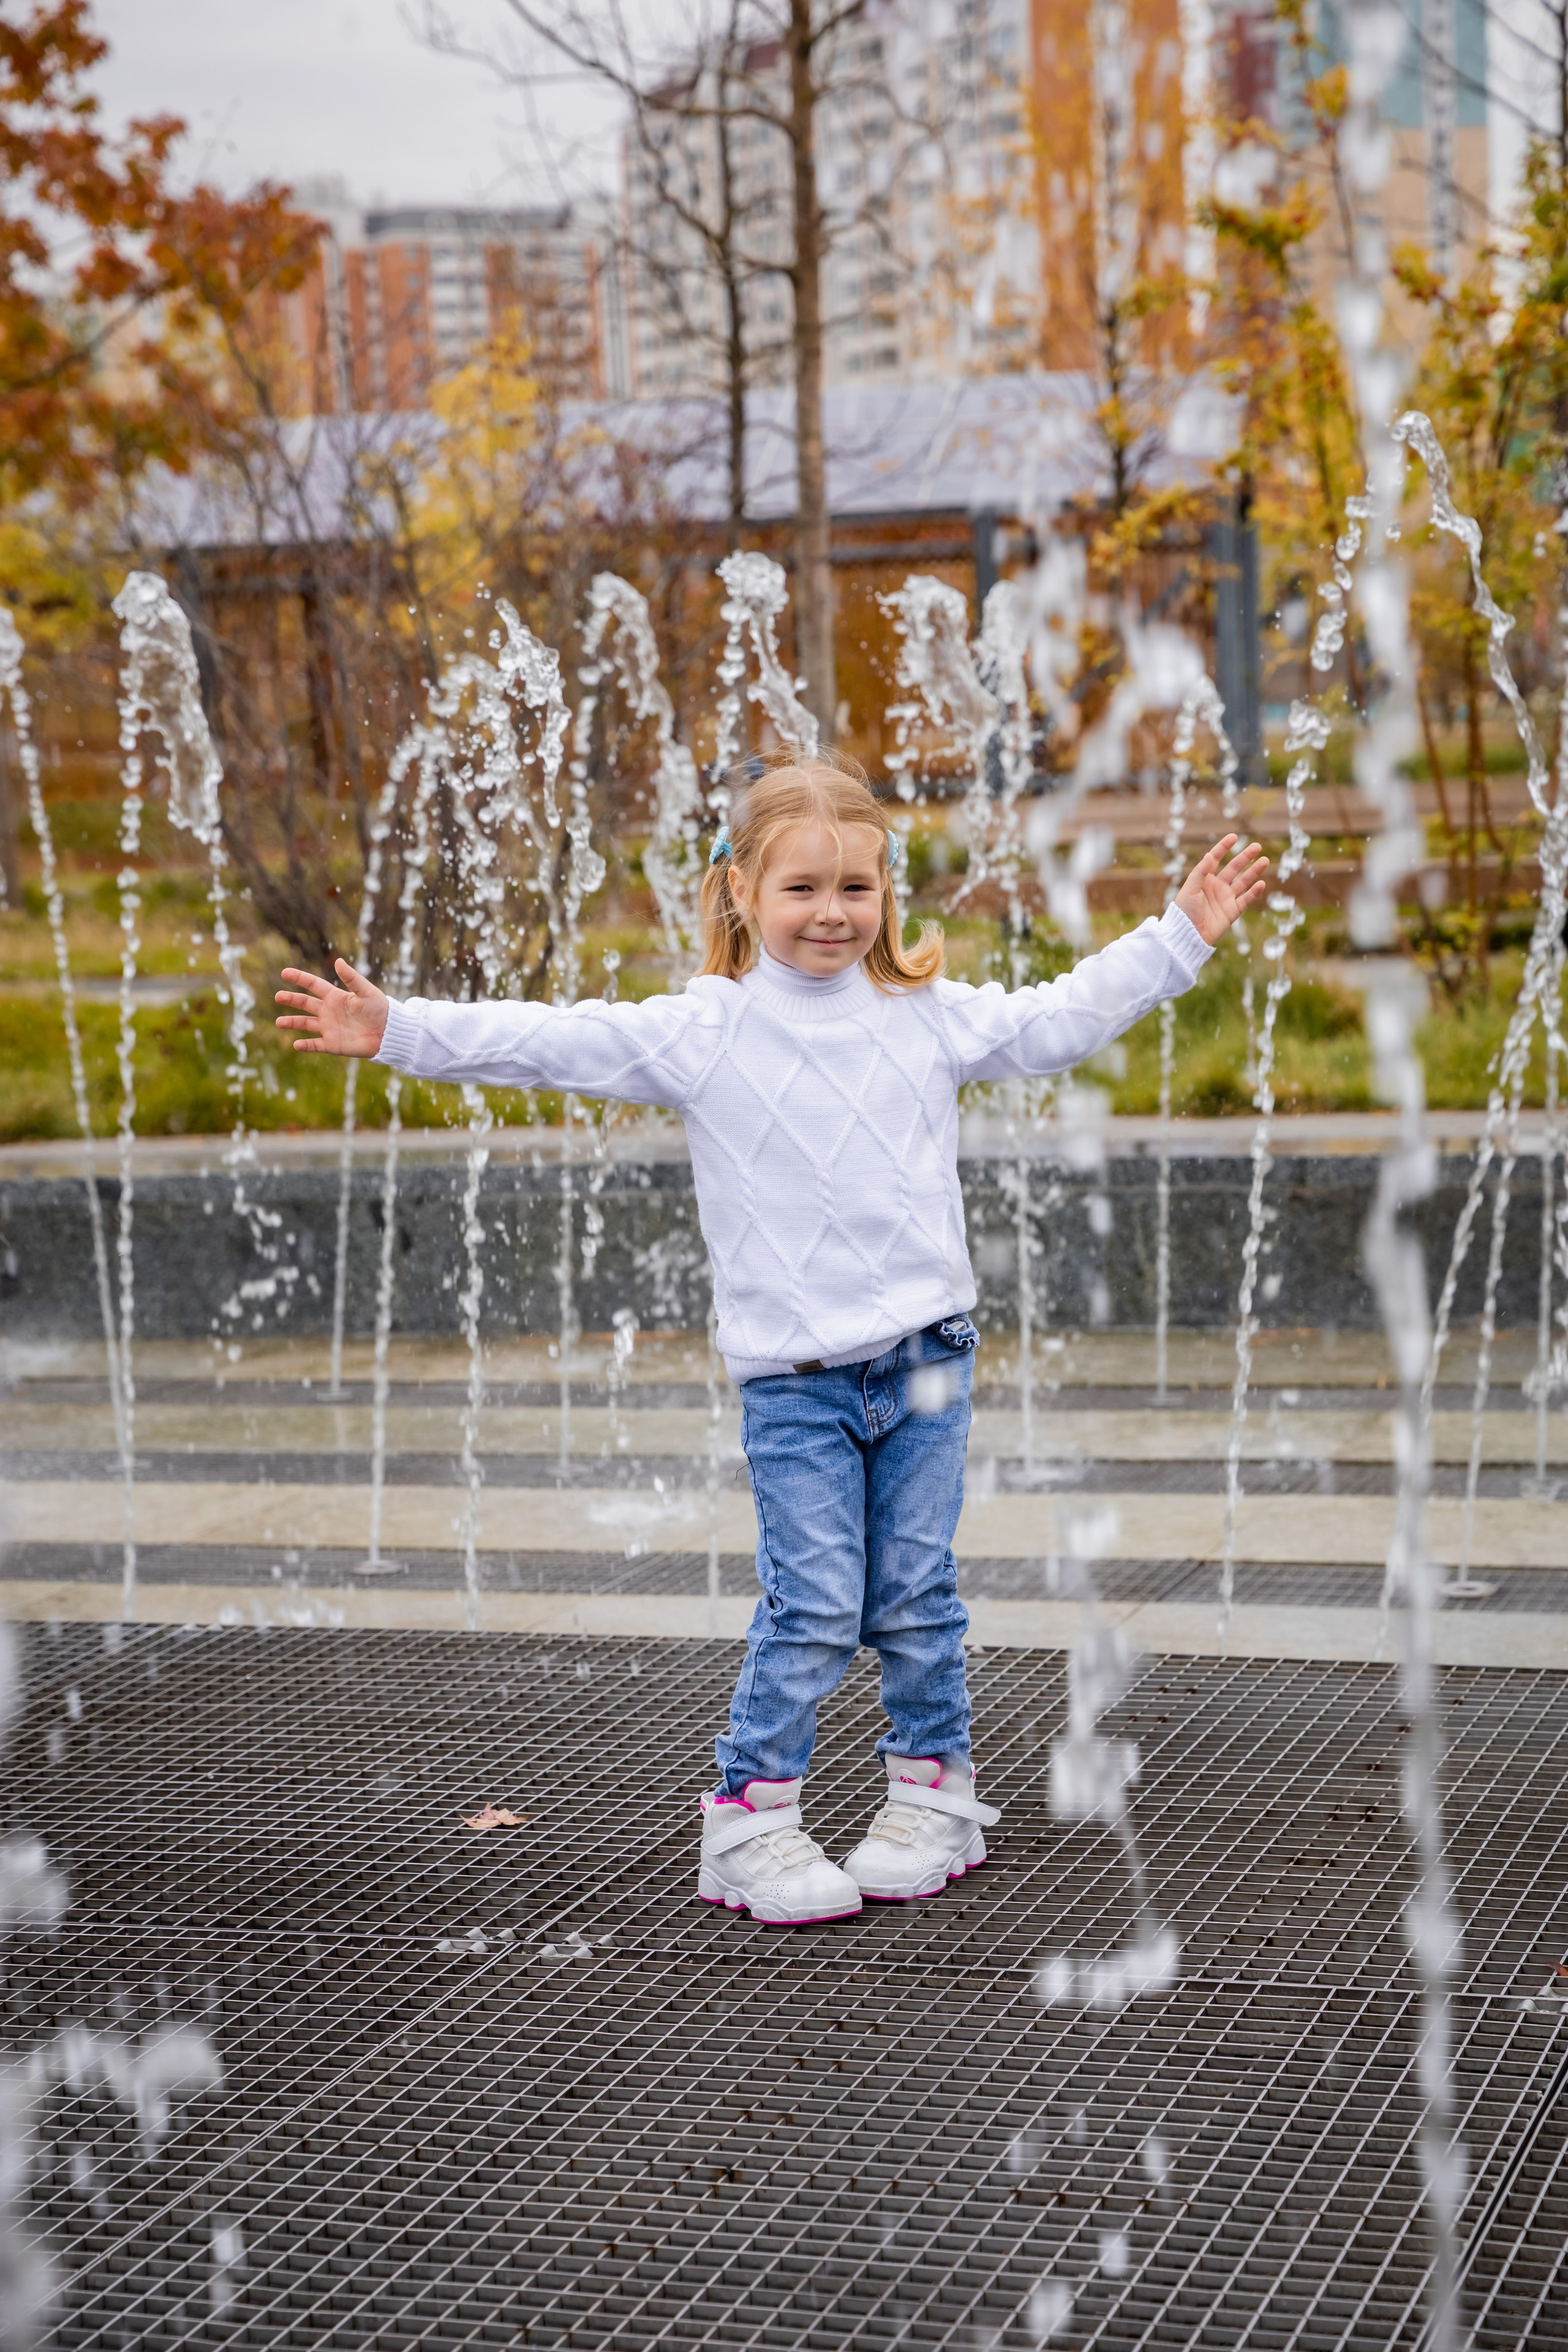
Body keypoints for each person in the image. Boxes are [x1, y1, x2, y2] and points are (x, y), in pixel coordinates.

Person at [276, 755, 1267, 1926]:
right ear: (739, 889)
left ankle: (933, 1795)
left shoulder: (925, 1015)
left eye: (857, 888)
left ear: (889, 895)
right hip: (796, 1388)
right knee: (811, 1603)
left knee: (916, 1592)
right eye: (802, 889)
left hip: (929, 1359)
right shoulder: (709, 1030)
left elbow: (1057, 1022)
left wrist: (1178, 936)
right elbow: (550, 1041)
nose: (833, 914)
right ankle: (750, 1822)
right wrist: (397, 1029)